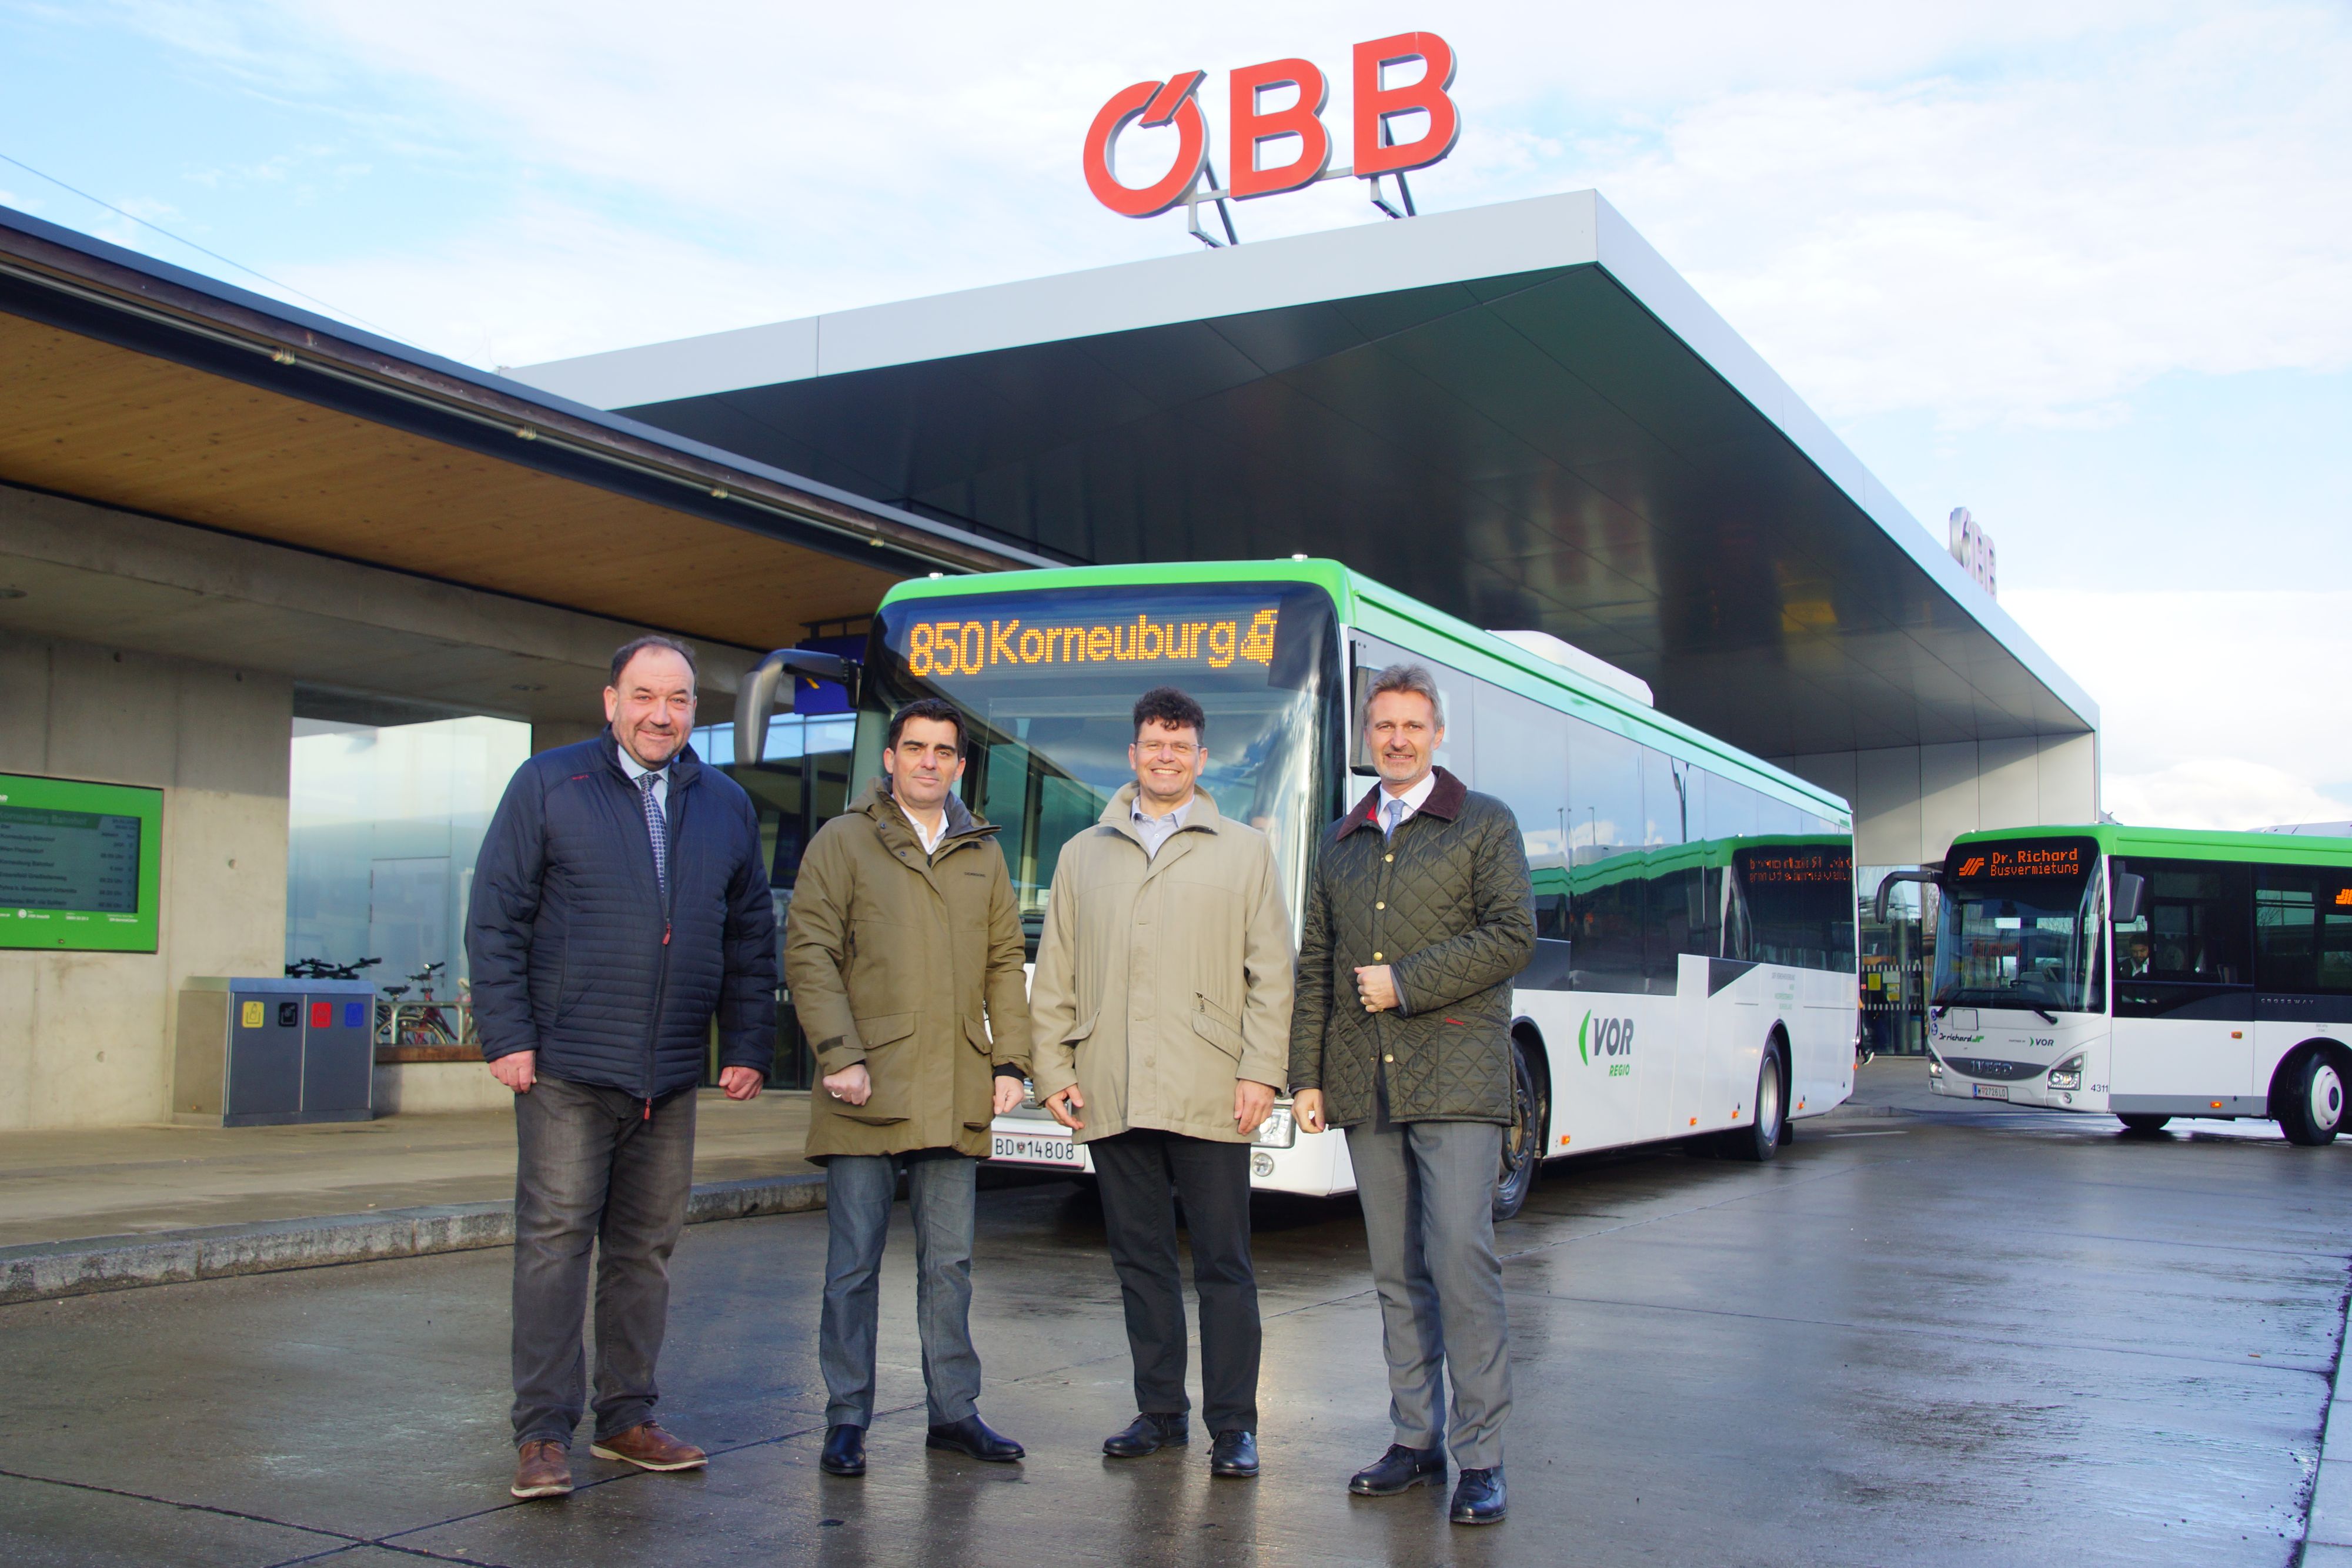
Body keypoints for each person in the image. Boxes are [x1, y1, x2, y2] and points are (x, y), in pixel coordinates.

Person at [468, 635, 778, 1502]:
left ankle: (626, 1418)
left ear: (693, 711)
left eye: (678, 700)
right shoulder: (549, 784)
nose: (661, 714)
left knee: (645, 1251)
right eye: (644, 696)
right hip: (566, 1063)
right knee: (555, 1248)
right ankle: (541, 1434)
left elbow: (750, 933)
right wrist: (507, 1035)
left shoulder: (725, 804)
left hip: (670, 1075)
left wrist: (748, 1043)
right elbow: (497, 916)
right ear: (611, 701)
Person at [1288, 663, 1536, 1527]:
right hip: (1365, 1081)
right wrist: (1307, 1077)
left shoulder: (1483, 824)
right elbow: (1314, 964)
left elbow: (1513, 936)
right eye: (1383, 726)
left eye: (1412, 725)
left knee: (1461, 1262)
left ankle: (1482, 1456)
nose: (1396, 739)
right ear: (1368, 737)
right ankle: (1414, 1440)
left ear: (1438, 735)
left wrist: (1408, 982)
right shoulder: (1339, 839)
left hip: (1459, 1076)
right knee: (1395, 1269)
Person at [1028, 686, 1294, 1481]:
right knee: (1139, 1260)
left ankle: (1235, 1426)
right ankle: (1160, 1414)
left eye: (1180, 747)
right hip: (1112, 1084)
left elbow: (1271, 977)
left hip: (1212, 1088)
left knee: (1223, 1263)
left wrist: (1261, 1074)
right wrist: (1053, 1070)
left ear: (1201, 759)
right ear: (1133, 754)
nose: (1166, 758)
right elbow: (1058, 977)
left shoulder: (1244, 852)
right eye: (1153, 745)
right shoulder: (1082, 855)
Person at [783, 698, 1033, 1477]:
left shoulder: (981, 851)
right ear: (889, 758)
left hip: (954, 1082)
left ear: (960, 764)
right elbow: (810, 954)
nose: (929, 761)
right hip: (864, 1085)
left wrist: (1011, 1062)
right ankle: (847, 1417)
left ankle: (954, 1413)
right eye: (915, 748)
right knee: (853, 1263)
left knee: (949, 1264)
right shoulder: (842, 842)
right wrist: (838, 1054)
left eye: (944, 751)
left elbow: (1003, 960)